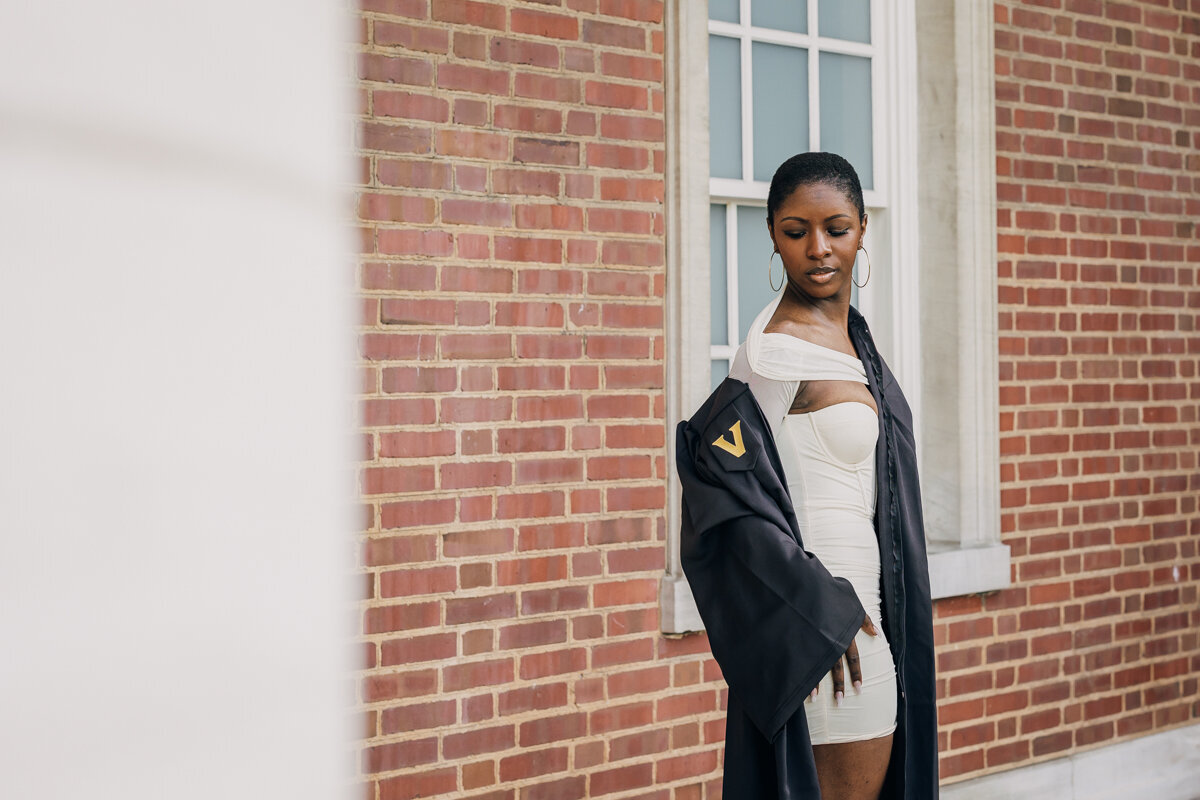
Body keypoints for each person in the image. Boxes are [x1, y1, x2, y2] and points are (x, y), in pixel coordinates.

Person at [676, 152, 937, 799]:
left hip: (877, 626)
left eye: (836, 228)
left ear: (863, 229)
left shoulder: (853, 343)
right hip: (833, 643)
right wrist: (817, 607)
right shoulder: (772, 354)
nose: (818, 249)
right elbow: (721, 493)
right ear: (772, 234)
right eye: (796, 231)